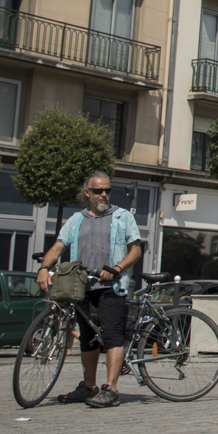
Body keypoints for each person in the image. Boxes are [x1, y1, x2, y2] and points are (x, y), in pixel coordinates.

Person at [37, 172, 145, 408]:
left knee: (113, 336)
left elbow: (136, 250)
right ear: (87, 193)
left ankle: (111, 390)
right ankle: (88, 386)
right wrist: (44, 268)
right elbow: (58, 247)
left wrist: (117, 268)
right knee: (87, 337)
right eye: (98, 191)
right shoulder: (76, 220)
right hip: (83, 287)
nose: (103, 194)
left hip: (111, 286)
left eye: (107, 190)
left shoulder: (122, 216)